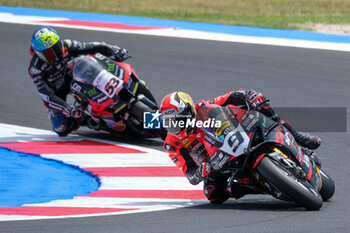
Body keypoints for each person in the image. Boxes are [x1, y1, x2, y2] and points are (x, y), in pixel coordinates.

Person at [160, 89, 321, 204]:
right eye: (170, 123)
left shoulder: (202, 107)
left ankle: (298, 138)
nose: (176, 126)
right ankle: (259, 187)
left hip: (236, 138)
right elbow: (189, 173)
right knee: (212, 195)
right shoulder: (172, 144)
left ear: (189, 111)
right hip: (216, 164)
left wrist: (246, 95)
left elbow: (228, 97)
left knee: (259, 104)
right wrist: (200, 172)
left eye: (178, 120)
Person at [28, 26, 129, 136]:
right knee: (61, 128)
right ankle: (87, 119)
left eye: (55, 47)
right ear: (38, 53)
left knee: (91, 60)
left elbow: (92, 46)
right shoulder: (35, 69)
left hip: (77, 74)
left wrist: (112, 49)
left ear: (59, 42)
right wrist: (68, 109)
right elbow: (47, 95)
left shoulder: (67, 45)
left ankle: (120, 83)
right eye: (48, 53)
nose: (54, 55)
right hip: (56, 91)